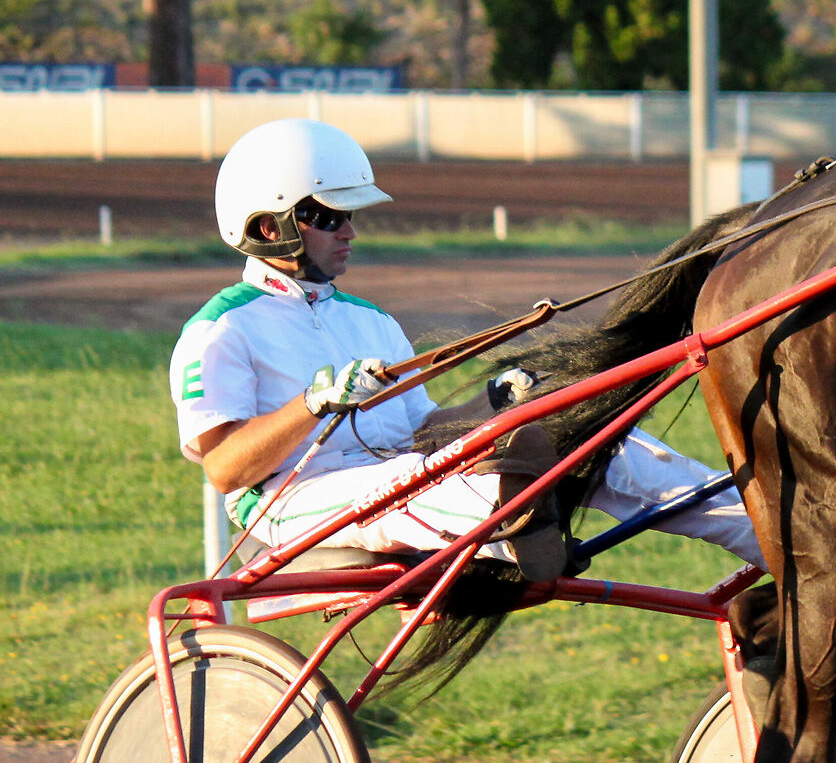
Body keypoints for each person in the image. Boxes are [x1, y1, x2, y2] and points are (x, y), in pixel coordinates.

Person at [170, 118, 759, 574]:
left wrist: (493, 404)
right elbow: (224, 470)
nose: (349, 230)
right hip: (284, 507)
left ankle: (773, 538)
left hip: (402, 472)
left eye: (349, 215)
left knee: (604, 440)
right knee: (416, 484)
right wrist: (313, 403)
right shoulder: (221, 329)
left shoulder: (368, 320)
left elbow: (423, 430)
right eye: (327, 216)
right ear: (268, 227)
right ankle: (518, 524)